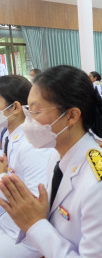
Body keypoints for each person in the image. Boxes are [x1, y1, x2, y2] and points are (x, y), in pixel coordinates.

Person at [0, 65, 102, 258]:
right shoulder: (57, 153)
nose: (28, 122)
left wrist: (35, 225)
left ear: (72, 115)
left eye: (36, 113)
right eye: (28, 111)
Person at [0, 75, 54, 258]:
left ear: (15, 107)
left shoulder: (31, 145)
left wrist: (2, 177)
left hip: (23, 234)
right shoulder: (9, 135)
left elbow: (36, 200)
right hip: (7, 219)